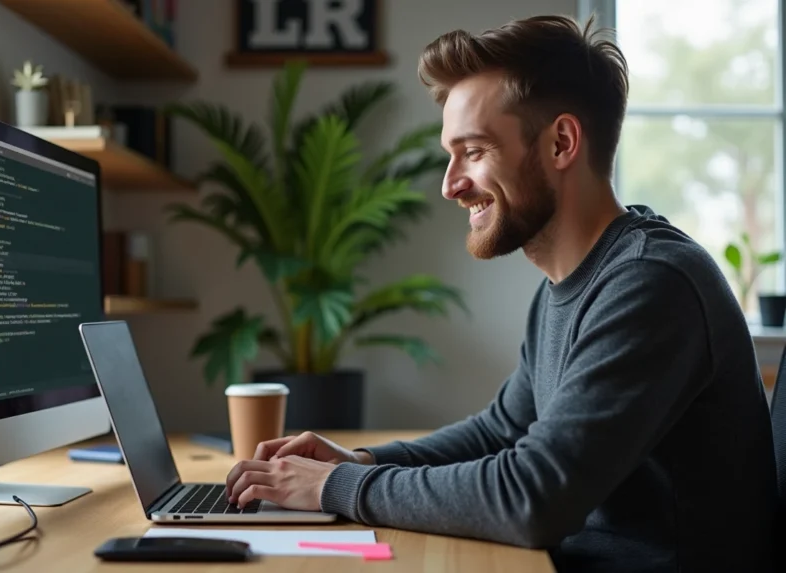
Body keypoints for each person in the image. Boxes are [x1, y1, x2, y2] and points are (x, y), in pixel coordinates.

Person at [224, 13, 779, 573]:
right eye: (450, 153)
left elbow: (532, 498)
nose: (450, 183)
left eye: (475, 150)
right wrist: (361, 460)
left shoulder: (652, 284)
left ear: (561, 142)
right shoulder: (573, 284)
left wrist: (339, 487)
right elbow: (502, 432)